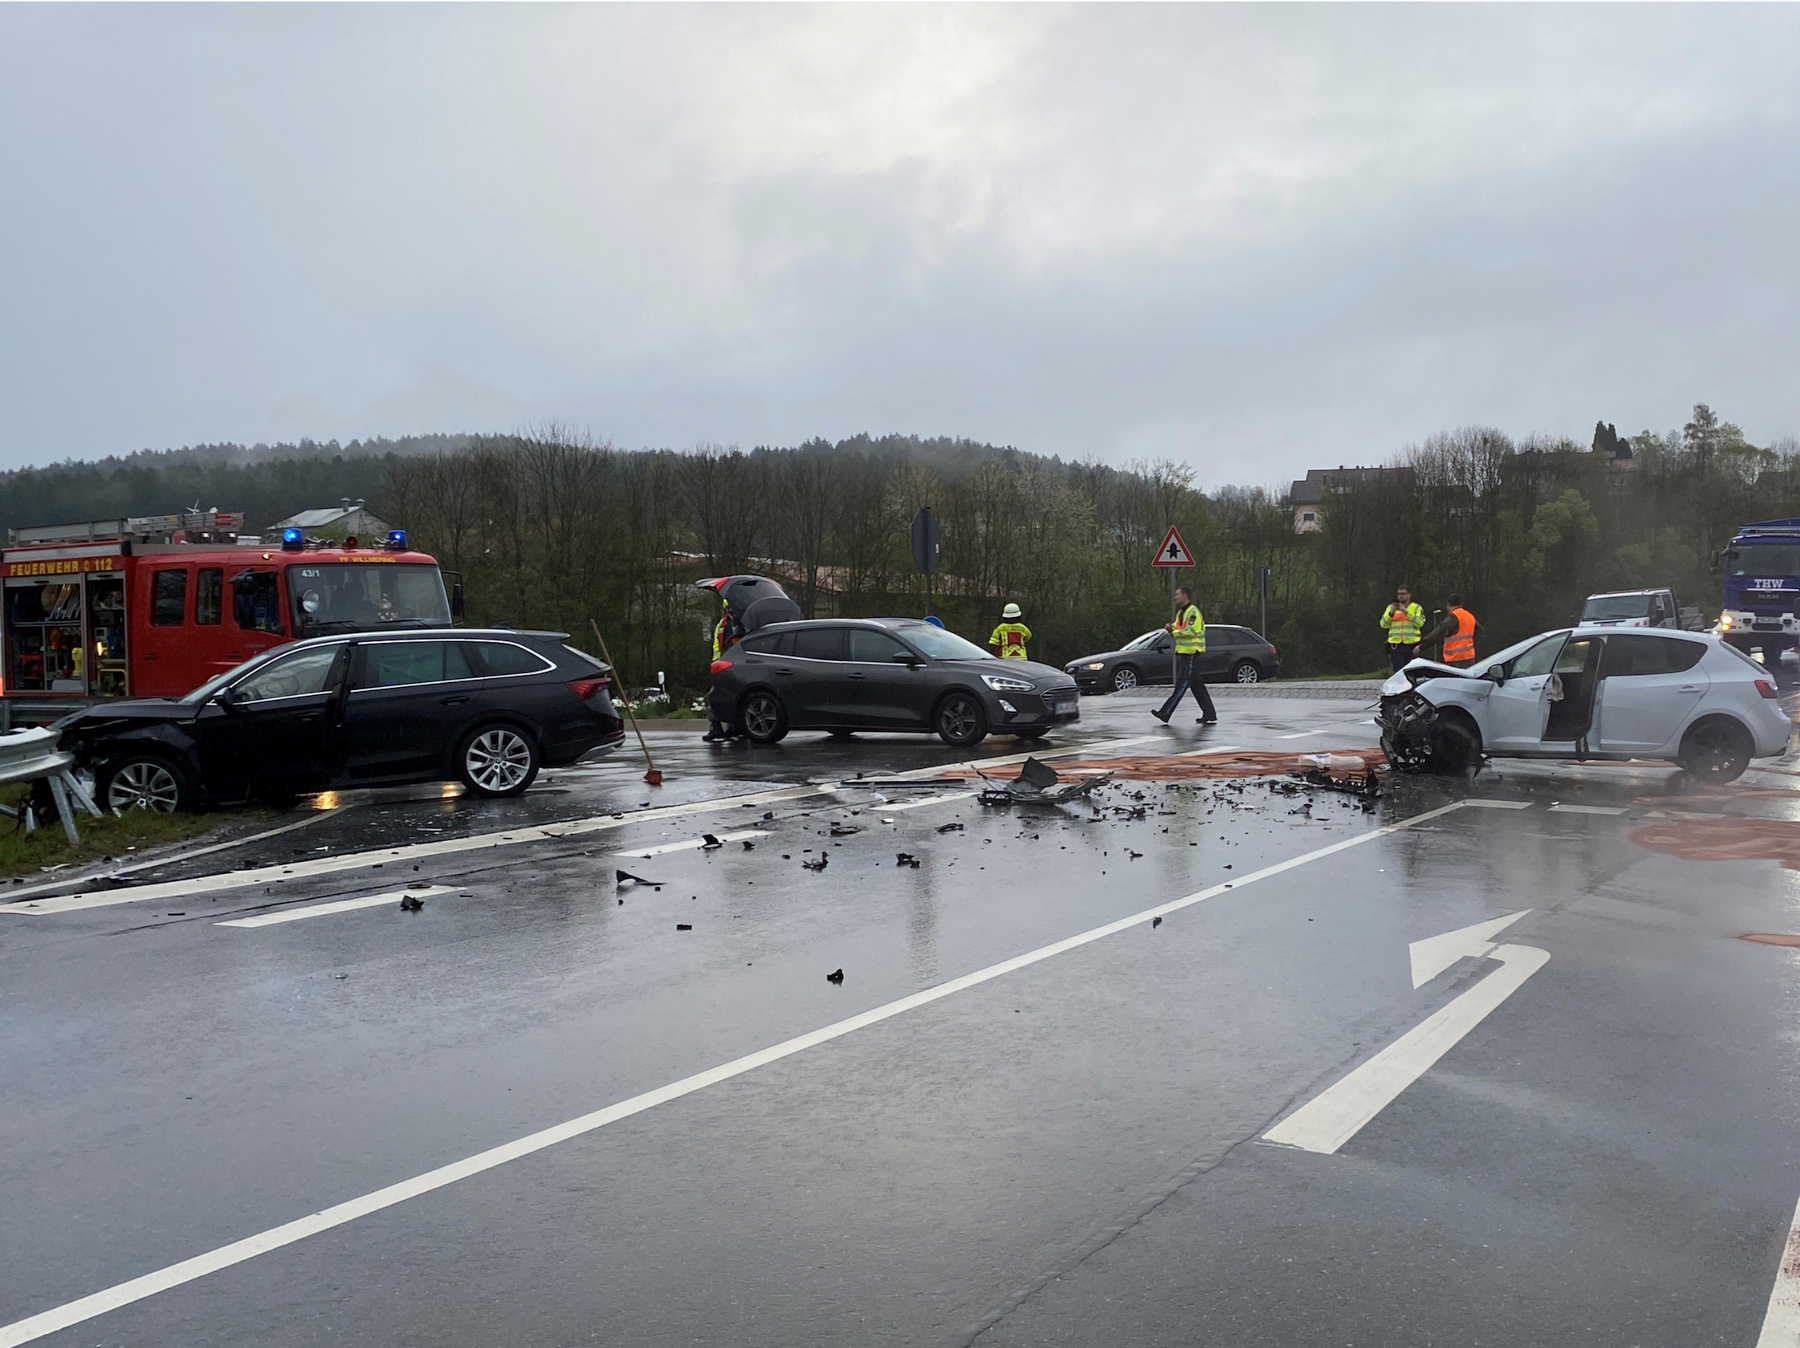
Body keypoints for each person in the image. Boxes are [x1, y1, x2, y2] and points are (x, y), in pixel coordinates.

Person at [1153, 584, 1217, 725]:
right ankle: (1209, 713)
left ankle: (1165, 712)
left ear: (1185, 596)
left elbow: (1191, 632)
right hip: (1184, 652)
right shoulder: (1182, 613)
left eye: (1178, 594)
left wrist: (1174, 632)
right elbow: (1177, 627)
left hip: (1192, 652)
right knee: (1196, 685)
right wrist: (1170, 628)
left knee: (1182, 684)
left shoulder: (1192, 612)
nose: (1176, 597)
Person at [703, 605, 740, 743]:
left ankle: (718, 727)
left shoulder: (730, 622)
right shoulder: (729, 622)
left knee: (713, 697)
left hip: (724, 665)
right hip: (722, 664)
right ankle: (732, 726)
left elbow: (733, 643)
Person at [1425, 594, 1483, 668]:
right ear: (1461, 604)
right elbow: (1480, 631)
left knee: (1454, 679)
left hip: (1455, 660)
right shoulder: (1470, 616)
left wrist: (1422, 646)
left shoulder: (1453, 618)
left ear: (1448, 605)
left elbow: (1438, 633)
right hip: (1469, 658)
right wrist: (1470, 644)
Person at [1379, 584, 1426, 672]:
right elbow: (1383, 624)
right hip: (1396, 646)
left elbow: (1419, 623)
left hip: (1411, 646)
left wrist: (1406, 612)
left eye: (1403, 594)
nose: (1401, 596)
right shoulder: (1391, 608)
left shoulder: (1416, 608)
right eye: (1399, 594)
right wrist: (1391, 614)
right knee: (1398, 673)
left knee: (1411, 673)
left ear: (1409, 595)